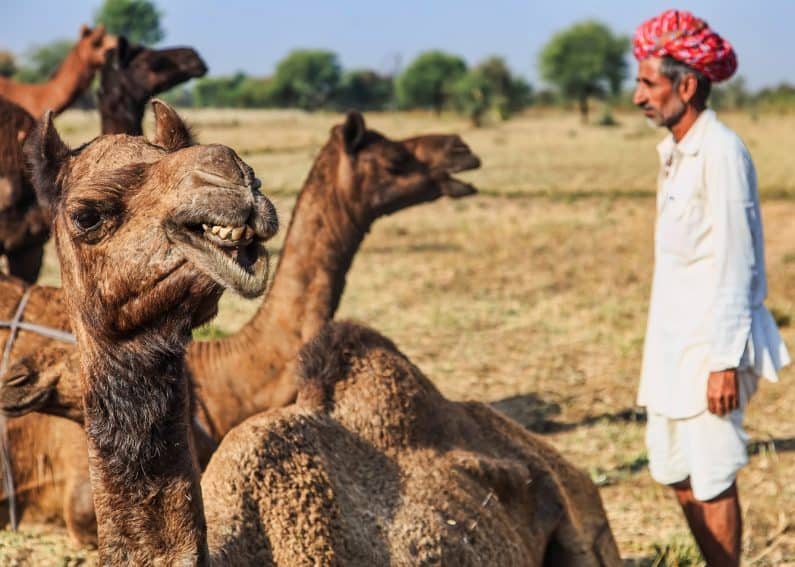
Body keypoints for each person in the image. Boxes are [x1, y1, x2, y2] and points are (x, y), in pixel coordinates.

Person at [632, 9, 790, 566]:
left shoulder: (720, 151)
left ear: (687, 84)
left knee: (714, 476)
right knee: (676, 472)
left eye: (648, 82)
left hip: (709, 351)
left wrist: (724, 362)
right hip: (672, 346)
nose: (638, 96)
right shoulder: (677, 151)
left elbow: (737, 264)